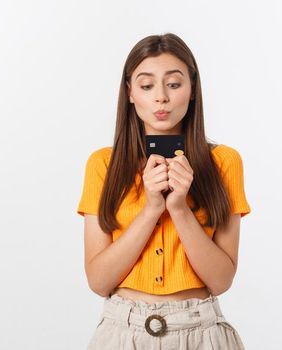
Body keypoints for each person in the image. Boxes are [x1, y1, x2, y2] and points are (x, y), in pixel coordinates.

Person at [77, 33, 251, 349]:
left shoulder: (224, 163)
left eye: (173, 84)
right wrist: (151, 209)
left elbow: (221, 280)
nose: (161, 97)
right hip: (122, 333)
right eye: (146, 86)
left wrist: (180, 209)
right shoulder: (103, 164)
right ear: (129, 92)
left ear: (193, 89)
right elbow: (99, 281)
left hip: (201, 332)